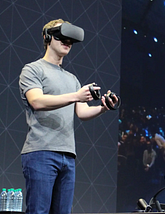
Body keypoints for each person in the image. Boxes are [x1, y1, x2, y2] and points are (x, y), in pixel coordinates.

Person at [19, 19, 117, 214]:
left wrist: (103, 108)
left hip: (68, 155)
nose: (67, 42)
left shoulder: (72, 79)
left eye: (70, 39)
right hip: (41, 151)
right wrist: (76, 95)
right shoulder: (33, 69)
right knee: (38, 211)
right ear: (47, 38)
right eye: (61, 37)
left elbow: (82, 112)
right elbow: (36, 101)